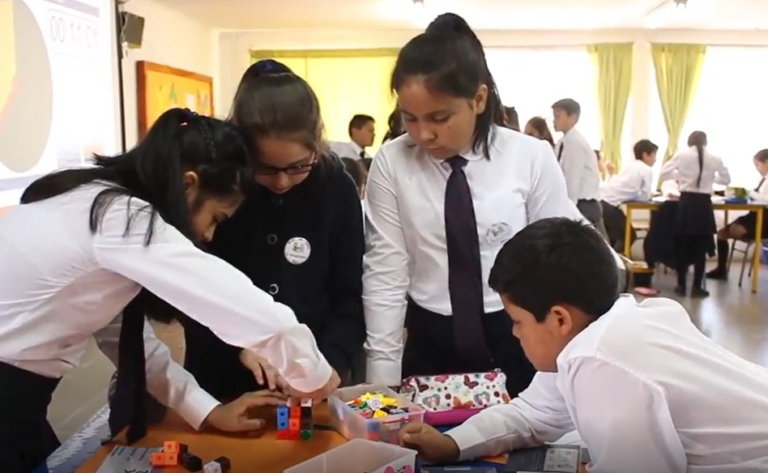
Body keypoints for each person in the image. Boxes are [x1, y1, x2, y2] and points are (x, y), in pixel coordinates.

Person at [0, 108, 339, 473]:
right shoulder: (121, 216)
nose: (207, 236)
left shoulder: (92, 201)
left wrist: (207, 410)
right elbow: (233, 302)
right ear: (187, 183)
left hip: (19, 403)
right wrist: (314, 377)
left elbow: (127, 340)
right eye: (215, 218)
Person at [363, 13, 622, 394]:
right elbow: (386, 269)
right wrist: (381, 381)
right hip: (431, 335)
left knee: (519, 441)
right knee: (429, 445)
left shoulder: (529, 157)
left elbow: (558, 263)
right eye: (410, 118)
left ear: (479, 98)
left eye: (439, 117)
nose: (424, 133)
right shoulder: (392, 161)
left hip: (518, 332)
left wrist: (562, 361)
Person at [398, 217, 768, 473]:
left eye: (517, 321)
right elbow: (533, 414)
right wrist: (453, 444)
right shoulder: (607, 329)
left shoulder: (602, 358)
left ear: (559, 319)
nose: (514, 333)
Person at [182, 61, 365, 402]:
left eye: (297, 167)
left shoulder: (336, 189)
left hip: (315, 379)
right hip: (222, 378)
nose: (281, 181)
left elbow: (349, 296)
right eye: (264, 168)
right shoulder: (218, 185)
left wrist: (325, 365)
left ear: (317, 145)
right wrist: (240, 345)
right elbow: (192, 290)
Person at [659, 131, 730, 297]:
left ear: (689, 142)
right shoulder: (715, 158)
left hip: (686, 204)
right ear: (705, 142)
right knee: (701, 248)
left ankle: (681, 286)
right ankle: (697, 287)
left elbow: (664, 174)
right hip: (704, 205)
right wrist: (710, 179)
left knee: (682, 246)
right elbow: (726, 180)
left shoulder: (682, 155)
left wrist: (681, 176)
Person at [707, 148, 768, 280]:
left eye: (758, 165)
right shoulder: (762, 179)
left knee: (734, 230)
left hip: (764, 219)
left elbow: (765, 200)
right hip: (753, 216)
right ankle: (721, 270)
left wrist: (749, 193)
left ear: (766, 162)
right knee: (722, 234)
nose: (757, 169)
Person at [551, 98, 607, 237]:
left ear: (572, 118)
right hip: (575, 204)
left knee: (591, 253)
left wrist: (566, 212)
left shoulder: (575, 143)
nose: (553, 121)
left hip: (583, 206)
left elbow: (572, 181)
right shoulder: (562, 142)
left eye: (558, 116)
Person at [600, 139, 658, 251]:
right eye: (654, 155)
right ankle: (616, 264)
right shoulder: (646, 170)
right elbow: (645, 197)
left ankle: (611, 262)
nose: (655, 160)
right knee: (629, 236)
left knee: (612, 237)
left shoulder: (629, 166)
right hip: (610, 206)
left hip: (603, 202)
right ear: (645, 154)